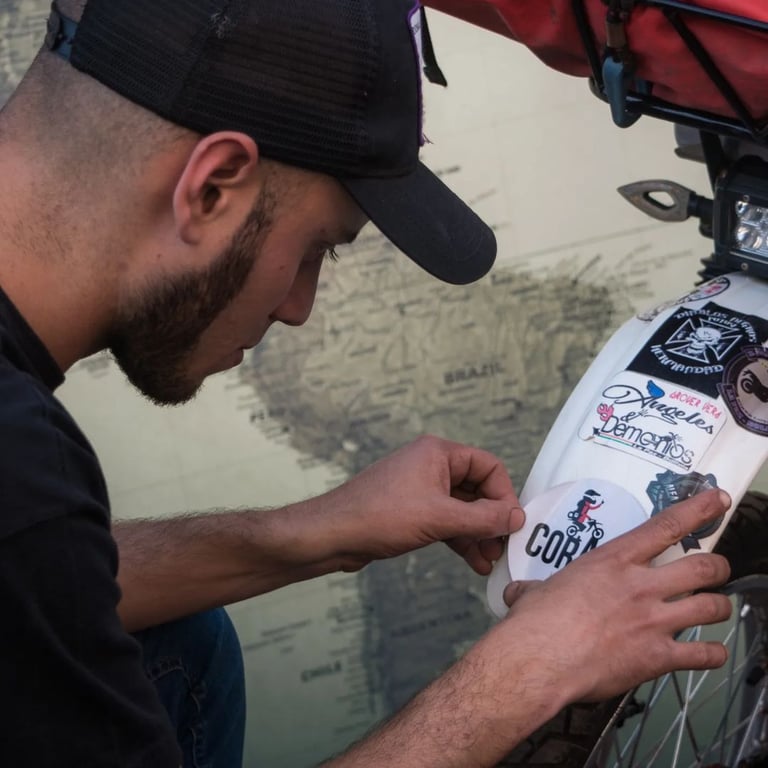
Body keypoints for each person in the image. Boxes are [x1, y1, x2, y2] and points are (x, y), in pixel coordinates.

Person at [0, 0, 733, 766]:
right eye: (316, 248)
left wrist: (314, 534)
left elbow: (43, 582)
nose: (297, 307)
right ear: (213, 187)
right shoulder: (22, 469)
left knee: (180, 640)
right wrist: (528, 668)